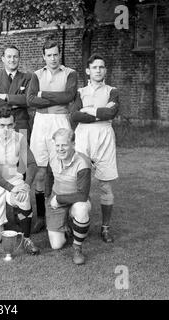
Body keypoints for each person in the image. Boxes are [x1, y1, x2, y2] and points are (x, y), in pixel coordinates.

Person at [27, 39, 78, 233]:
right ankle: (41, 216)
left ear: (60, 55)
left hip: (60, 121)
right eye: (49, 55)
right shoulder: (37, 74)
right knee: (40, 172)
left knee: (62, 171)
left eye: (56, 54)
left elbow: (69, 97)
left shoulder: (70, 73)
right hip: (41, 123)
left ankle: (63, 217)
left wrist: (43, 94)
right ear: (44, 57)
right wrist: (53, 98)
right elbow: (31, 100)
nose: (53, 58)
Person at [70, 53, 120, 243]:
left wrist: (89, 110)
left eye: (102, 67)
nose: (98, 70)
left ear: (105, 70)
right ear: (88, 71)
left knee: (105, 185)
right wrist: (101, 113)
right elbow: (74, 116)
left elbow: (112, 112)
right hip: (84, 136)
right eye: (95, 67)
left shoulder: (112, 91)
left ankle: (105, 228)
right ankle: (76, 221)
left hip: (105, 136)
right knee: (80, 181)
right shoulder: (80, 92)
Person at [0, 107, 40, 255]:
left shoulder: (20, 137)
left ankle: (27, 239)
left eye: (10, 125)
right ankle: (4, 217)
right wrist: (9, 187)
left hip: (14, 180)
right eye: (2, 125)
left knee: (24, 196)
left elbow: (31, 164)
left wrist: (26, 184)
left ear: (14, 124)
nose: (6, 129)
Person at [47, 128, 92, 265]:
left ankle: (77, 247)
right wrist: (48, 198)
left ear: (73, 144)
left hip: (76, 199)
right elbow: (49, 177)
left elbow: (82, 195)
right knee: (56, 245)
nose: (60, 149)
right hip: (57, 197)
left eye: (64, 145)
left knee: (81, 209)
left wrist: (58, 199)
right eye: (57, 145)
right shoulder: (53, 157)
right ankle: (69, 226)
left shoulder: (83, 162)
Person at [0, 45, 32, 142]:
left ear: (19, 58)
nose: (12, 60)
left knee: (23, 154)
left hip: (21, 122)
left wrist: (6, 97)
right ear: (3, 58)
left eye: (15, 56)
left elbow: (28, 100)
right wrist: (17, 102)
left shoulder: (27, 77)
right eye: (9, 56)